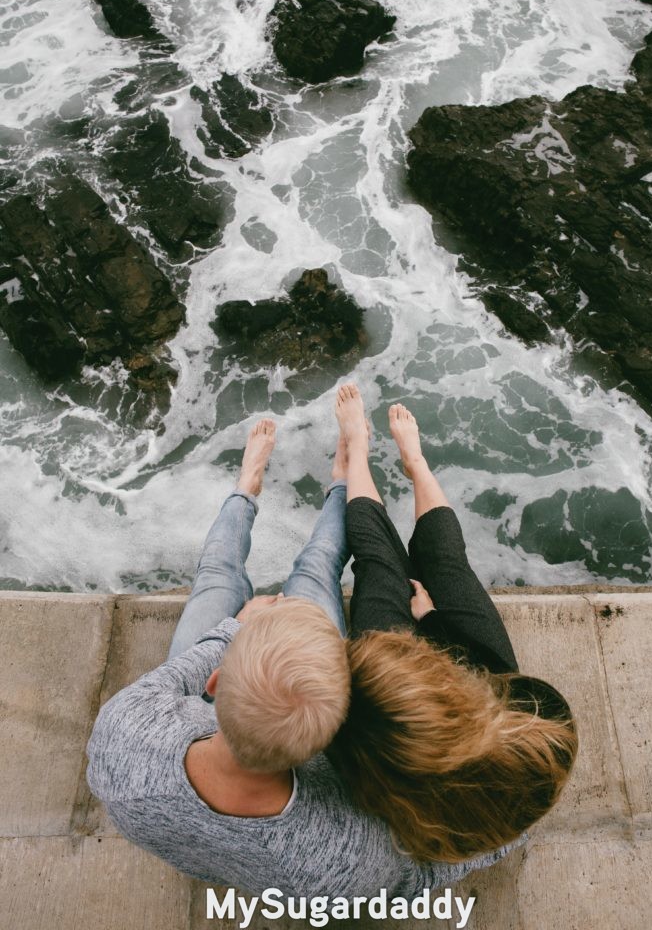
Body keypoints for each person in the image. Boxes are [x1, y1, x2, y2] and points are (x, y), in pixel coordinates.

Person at [86, 418, 516, 898]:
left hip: (210, 715)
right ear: (331, 739)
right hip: (261, 715)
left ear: (213, 682)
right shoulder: (341, 854)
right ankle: (339, 480)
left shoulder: (121, 736)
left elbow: (169, 682)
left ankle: (249, 485)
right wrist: (505, 831)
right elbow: (421, 873)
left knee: (216, 576)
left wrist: (235, 629)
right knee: (317, 567)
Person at [328, 383, 578, 864]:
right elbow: (486, 671)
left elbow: (349, 746)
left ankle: (357, 449)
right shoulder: (538, 730)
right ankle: (415, 464)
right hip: (491, 679)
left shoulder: (379, 754)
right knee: (447, 562)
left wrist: (416, 628)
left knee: (380, 566)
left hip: (408, 719)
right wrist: (434, 620)